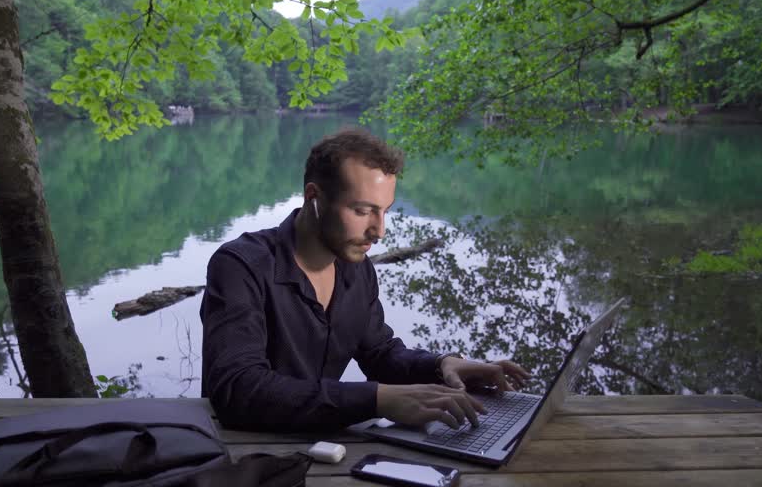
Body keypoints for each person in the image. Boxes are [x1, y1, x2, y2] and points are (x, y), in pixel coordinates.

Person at [199, 127, 532, 433]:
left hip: (323, 453)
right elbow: (236, 390)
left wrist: (443, 365)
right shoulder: (241, 265)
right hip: (243, 457)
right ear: (314, 197)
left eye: (384, 211)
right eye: (362, 211)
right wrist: (377, 399)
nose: (379, 231)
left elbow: (379, 354)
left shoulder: (356, 268)